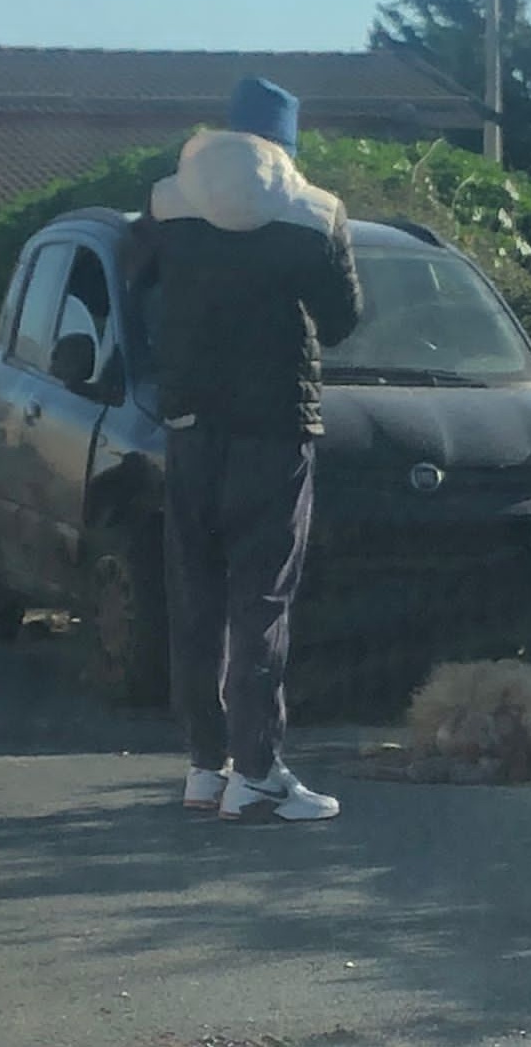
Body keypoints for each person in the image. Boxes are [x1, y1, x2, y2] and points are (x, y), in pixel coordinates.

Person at [136, 76, 362, 822]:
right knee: (260, 600)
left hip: (191, 427)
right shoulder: (315, 214)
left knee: (195, 596)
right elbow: (340, 322)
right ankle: (258, 771)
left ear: (227, 131)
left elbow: (137, 289)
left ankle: (206, 766)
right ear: (288, 145)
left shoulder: (167, 202)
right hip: (274, 430)